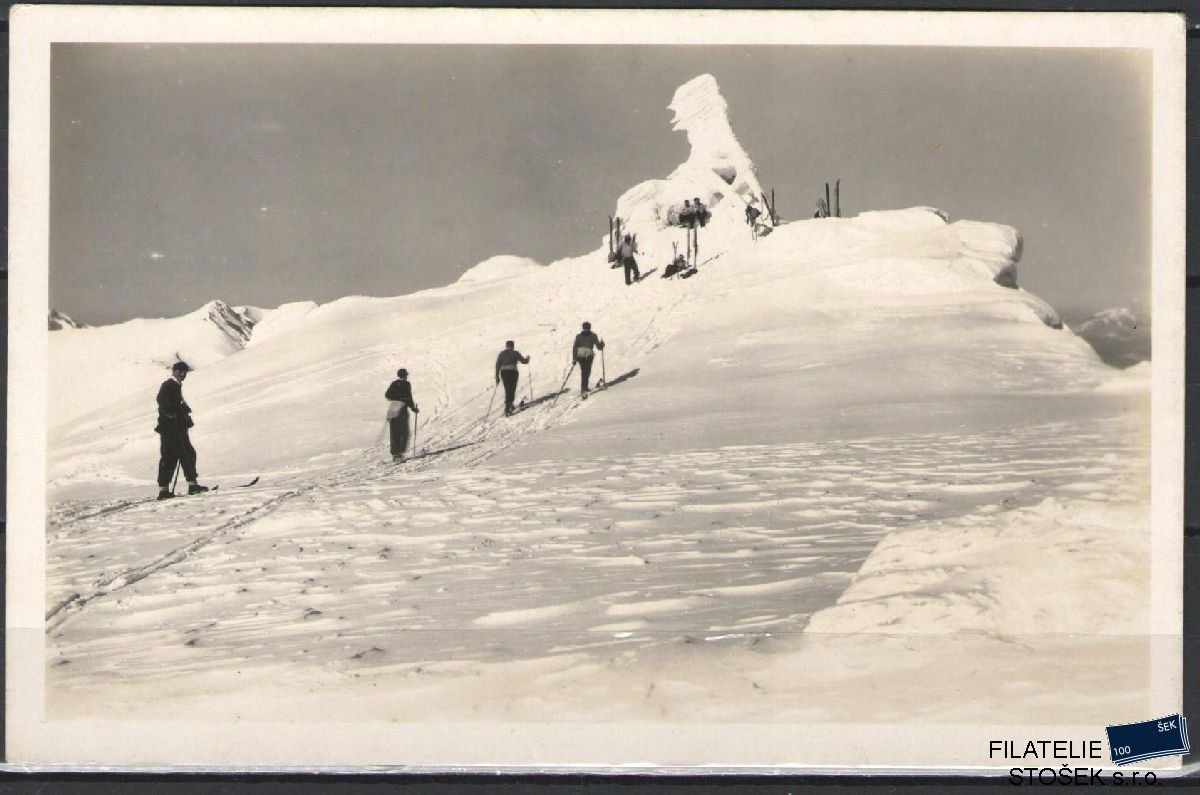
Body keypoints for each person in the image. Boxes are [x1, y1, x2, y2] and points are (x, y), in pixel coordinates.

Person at [155, 361, 209, 499]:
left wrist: (182, 413)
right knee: (171, 456)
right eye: (183, 372)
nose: (184, 375)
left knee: (186, 454)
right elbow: (161, 401)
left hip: (177, 427)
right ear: (177, 371)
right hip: (170, 428)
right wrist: (175, 411)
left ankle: (189, 485)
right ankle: (165, 490)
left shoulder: (176, 385)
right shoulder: (169, 385)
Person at [384, 368, 420, 461]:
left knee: (394, 432)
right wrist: (413, 408)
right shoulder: (406, 384)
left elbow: (387, 395)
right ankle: (400, 453)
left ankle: (395, 454)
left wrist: (396, 397)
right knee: (404, 432)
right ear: (405, 375)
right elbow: (408, 397)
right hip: (401, 410)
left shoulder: (394, 383)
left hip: (392, 409)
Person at [495, 340, 531, 416]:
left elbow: (497, 365)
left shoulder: (501, 354)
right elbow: (524, 361)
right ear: (512, 346)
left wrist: (497, 377)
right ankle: (508, 408)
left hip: (504, 372)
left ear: (506, 346)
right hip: (512, 372)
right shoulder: (515, 353)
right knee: (512, 388)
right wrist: (528, 359)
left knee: (507, 389)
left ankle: (509, 405)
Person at [571, 322, 605, 395]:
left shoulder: (578, 336)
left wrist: (574, 359)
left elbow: (575, 348)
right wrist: (602, 345)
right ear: (589, 327)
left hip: (579, 356)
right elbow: (599, 347)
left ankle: (584, 388)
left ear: (583, 327)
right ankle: (584, 389)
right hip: (588, 356)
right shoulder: (593, 336)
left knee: (584, 372)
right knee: (587, 372)